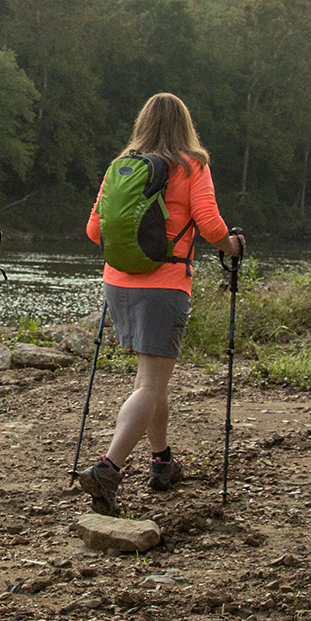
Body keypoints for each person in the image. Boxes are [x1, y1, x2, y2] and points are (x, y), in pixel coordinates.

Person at [74, 92, 244, 514]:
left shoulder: (122, 166)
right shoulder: (192, 166)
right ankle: (108, 469)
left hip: (118, 283)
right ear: (184, 125)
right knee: (150, 383)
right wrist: (232, 245)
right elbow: (208, 223)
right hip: (165, 285)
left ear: (143, 122)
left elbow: (95, 230)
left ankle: (162, 461)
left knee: (152, 380)